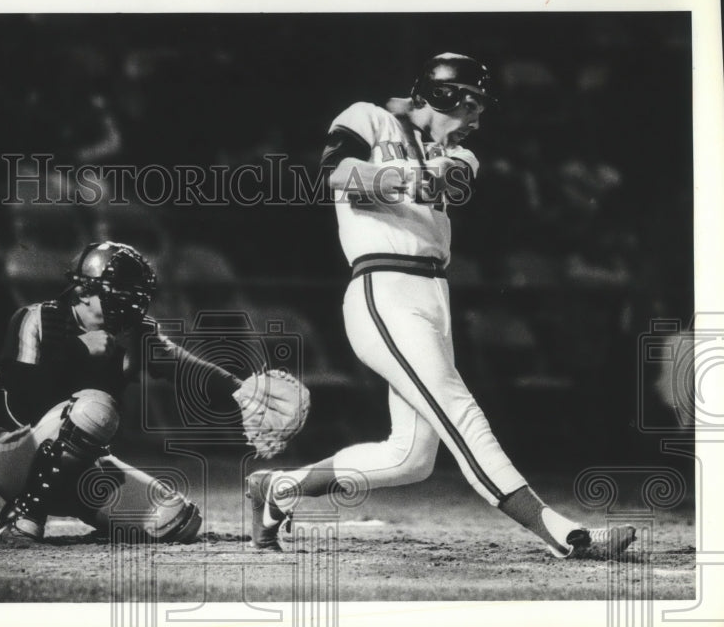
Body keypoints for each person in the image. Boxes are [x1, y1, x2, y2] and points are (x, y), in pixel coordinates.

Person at [245, 53, 637, 559]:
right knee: (460, 410)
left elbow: (446, 179)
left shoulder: (462, 154)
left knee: (410, 457)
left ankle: (277, 489)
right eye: (472, 103)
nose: (478, 117)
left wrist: (405, 171)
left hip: (433, 297)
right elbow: (337, 174)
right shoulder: (366, 115)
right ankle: (562, 533)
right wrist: (399, 172)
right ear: (447, 94)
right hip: (382, 290)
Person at [0, 241, 244, 543]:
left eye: (135, 297)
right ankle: (22, 514)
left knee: (177, 520)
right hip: (15, 455)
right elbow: (16, 405)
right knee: (95, 408)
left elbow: (190, 369)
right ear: (84, 292)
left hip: (82, 470)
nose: (128, 306)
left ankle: (94, 511)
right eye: (119, 295)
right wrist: (76, 351)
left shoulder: (135, 334)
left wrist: (247, 394)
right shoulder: (37, 318)